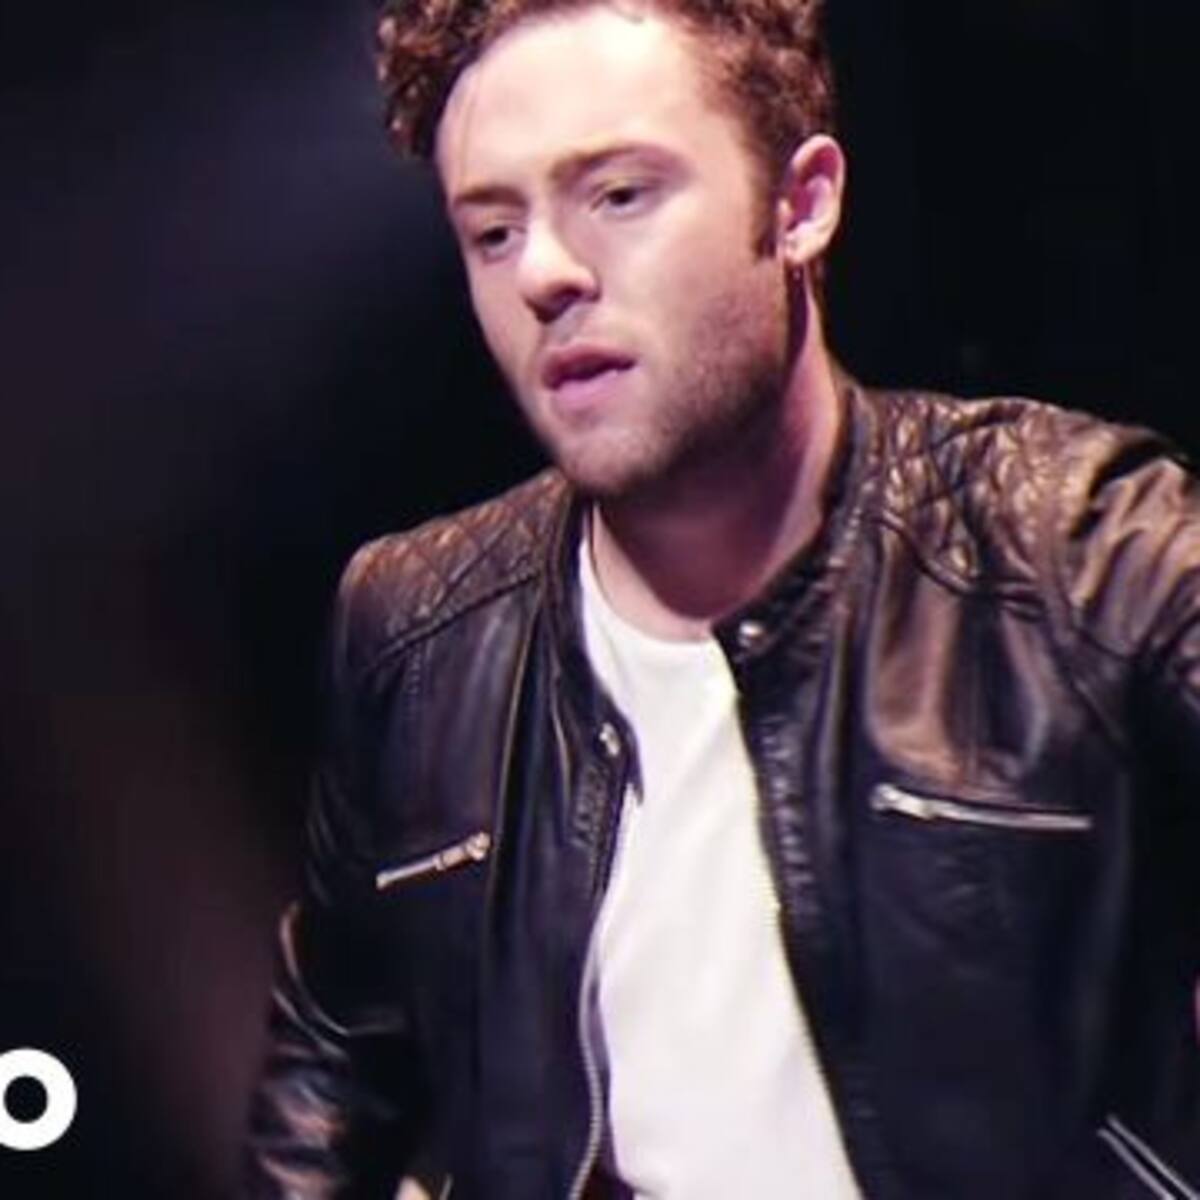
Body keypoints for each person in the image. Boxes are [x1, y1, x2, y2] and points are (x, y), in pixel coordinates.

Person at [243, 0, 1200, 1194]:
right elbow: (331, 1075)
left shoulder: (1079, 552)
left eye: (618, 195)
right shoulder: (418, 638)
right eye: (493, 230)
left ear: (801, 204)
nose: (544, 272)